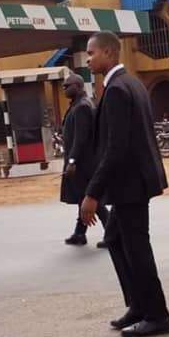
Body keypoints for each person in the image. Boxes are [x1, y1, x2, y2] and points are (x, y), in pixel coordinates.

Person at [80, 32, 169, 337]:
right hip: (133, 182)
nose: (88, 58)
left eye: (91, 53)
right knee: (116, 240)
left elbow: (116, 148)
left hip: (130, 185)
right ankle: (138, 305)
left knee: (137, 249)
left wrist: (92, 193)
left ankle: (158, 316)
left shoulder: (119, 89)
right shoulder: (130, 83)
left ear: (108, 52)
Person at [60, 73, 108, 247]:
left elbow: (81, 138)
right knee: (82, 197)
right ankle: (79, 233)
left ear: (78, 86)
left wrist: (72, 161)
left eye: (68, 86)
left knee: (92, 199)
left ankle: (112, 233)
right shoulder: (76, 105)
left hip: (84, 163)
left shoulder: (82, 107)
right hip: (79, 161)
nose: (64, 89)